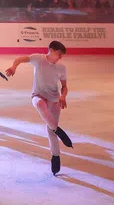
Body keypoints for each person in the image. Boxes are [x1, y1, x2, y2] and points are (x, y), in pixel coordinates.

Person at [5, 40, 73, 176]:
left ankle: (55, 156)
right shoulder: (38, 59)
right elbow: (20, 59)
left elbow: (64, 86)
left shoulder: (61, 68)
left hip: (54, 99)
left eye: (62, 55)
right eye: (59, 54)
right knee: (40, 104)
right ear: (51, 50)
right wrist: (13, 67)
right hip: (37, 95)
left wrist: (63, 96)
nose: (60, 57)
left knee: (50, 130)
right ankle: (58, 130)